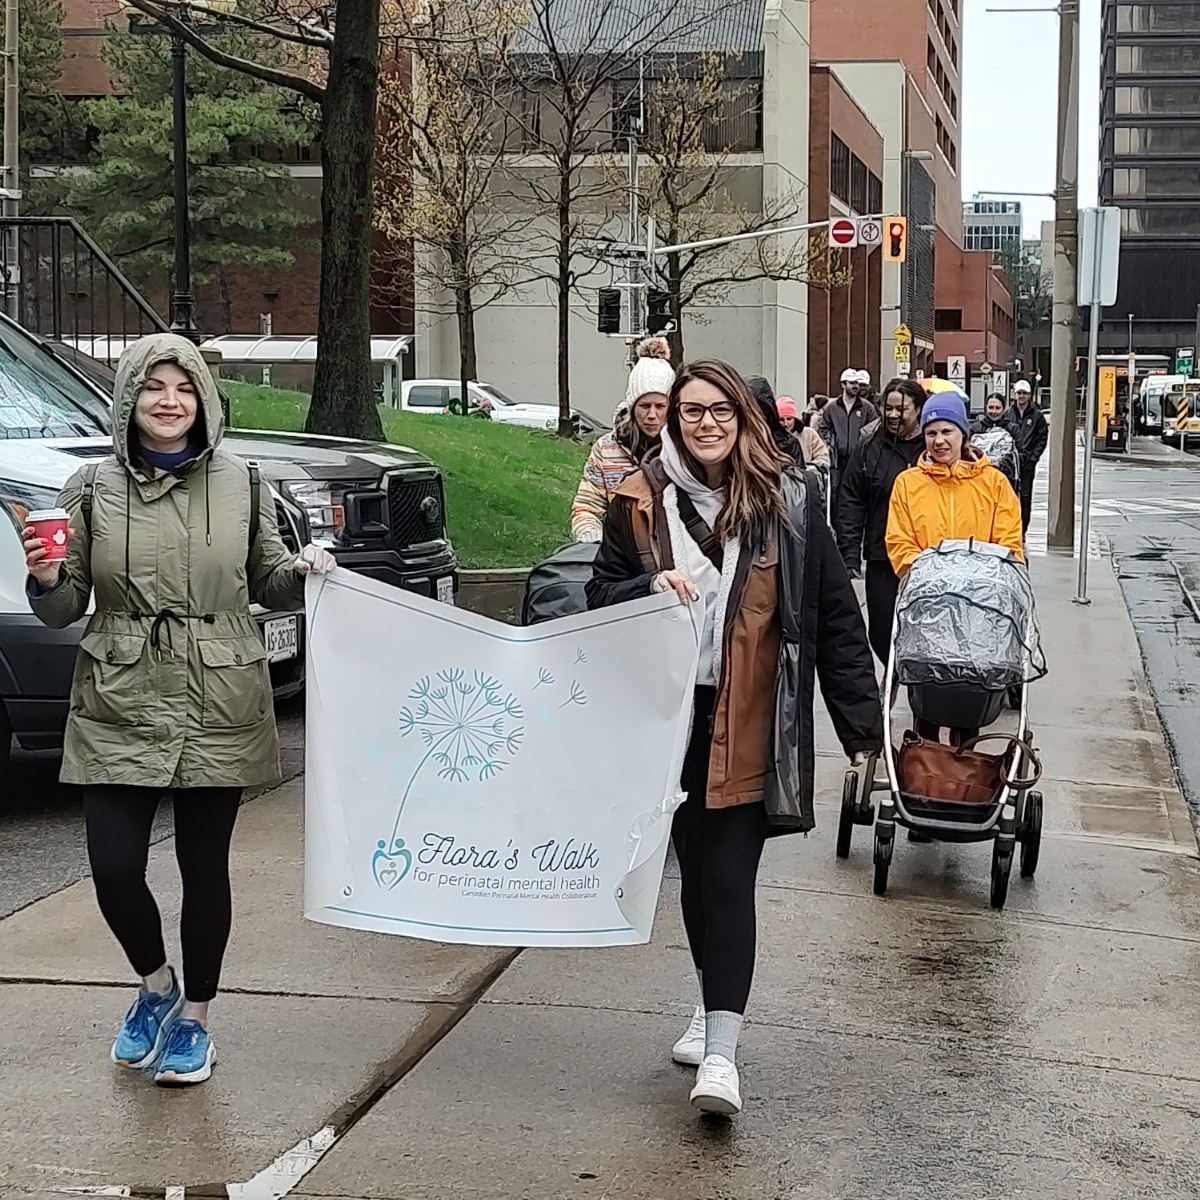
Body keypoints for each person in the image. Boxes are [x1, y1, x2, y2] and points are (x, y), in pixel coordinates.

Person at [22, 333, 336, 1087]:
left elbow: (269, 580)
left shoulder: (244, 483)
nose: (170, 401)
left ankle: (196, 1018)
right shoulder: (90, 486)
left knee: (205, 868)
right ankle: (154, 985)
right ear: (130, 398)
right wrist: (43, 575)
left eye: (185, 387)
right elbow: (65, 610)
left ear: (203, 401)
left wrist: (307, 569)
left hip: (219, 690)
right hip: (119, 693)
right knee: (113, 868)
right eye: (155, 386)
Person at [586, 359, 881, 1117]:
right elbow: (597, 596)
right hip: (669, 721)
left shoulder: (787, 504)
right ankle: (709, 1001)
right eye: (691, 412)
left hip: (750, 717)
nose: (706, 423)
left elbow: (836, 622)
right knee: (694, 880)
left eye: (720, 410)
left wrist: (862, 732)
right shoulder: (638, 501)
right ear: (671, 418)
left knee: (727, 878)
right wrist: (643, 588)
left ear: (743, 419)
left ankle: (721, 1053)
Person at [885, 390, 1025, 579]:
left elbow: (1009, 543)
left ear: (963, 434)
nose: (939, 441)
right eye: (931, 433)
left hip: (982, 596)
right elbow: (900, 542)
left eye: (947, 431)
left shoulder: (995, 482)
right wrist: (929, 575)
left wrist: (978, 579)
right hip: (926, 593)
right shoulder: (906, 483)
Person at [836, 377, 926, 665]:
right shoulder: (868, 446)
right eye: (888, 408)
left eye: (902, 409)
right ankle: (895, 670)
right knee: (881, 630)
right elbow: (851, 501)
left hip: (927, 557)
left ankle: (919, 686)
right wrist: (850, 554)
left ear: (919, 410)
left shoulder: (932, 445)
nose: (893, 415)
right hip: (881, 555)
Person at [571, 340, 674, 541]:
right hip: (619, 554)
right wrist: (592, 541)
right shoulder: (606, 448)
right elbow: (587, 506)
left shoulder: (686, 448)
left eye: (660, 406)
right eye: (644, 406)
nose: (652, 415)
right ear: (632, 407)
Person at [814, 368, 881, 524]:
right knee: (837, 492)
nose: (855, 386)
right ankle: (838, 525)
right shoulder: (832, 408)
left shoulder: (867, 407)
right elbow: (824, 427)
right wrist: (832, 442)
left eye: (857, 383)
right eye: (851, 383)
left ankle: (858, 522)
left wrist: (863, 444)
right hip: (838, 459)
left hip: (859, 458)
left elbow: (875, 427)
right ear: (843, 384)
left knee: (858, 491)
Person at [1006, 380, 1048, 534]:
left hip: (1028, 463)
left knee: (1025, 496)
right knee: (1009, 496)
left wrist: (1033, 458)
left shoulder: (1037, 416)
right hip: (1010, 463)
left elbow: (1042, 438)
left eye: (1024, 393)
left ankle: (1022, 530)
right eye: (1019, 393)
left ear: (1029, 395)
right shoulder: (1008, 414)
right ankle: (1010, 529)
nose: (1021, 396)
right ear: (1014, 395)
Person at [776, 396, 831, 474]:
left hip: (806, 481)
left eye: (789, 419)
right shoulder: (770, 437)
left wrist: (809, 469)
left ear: (794, 418)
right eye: (781, 419)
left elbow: (823, 457)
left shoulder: (809, 434)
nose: (786, 423)